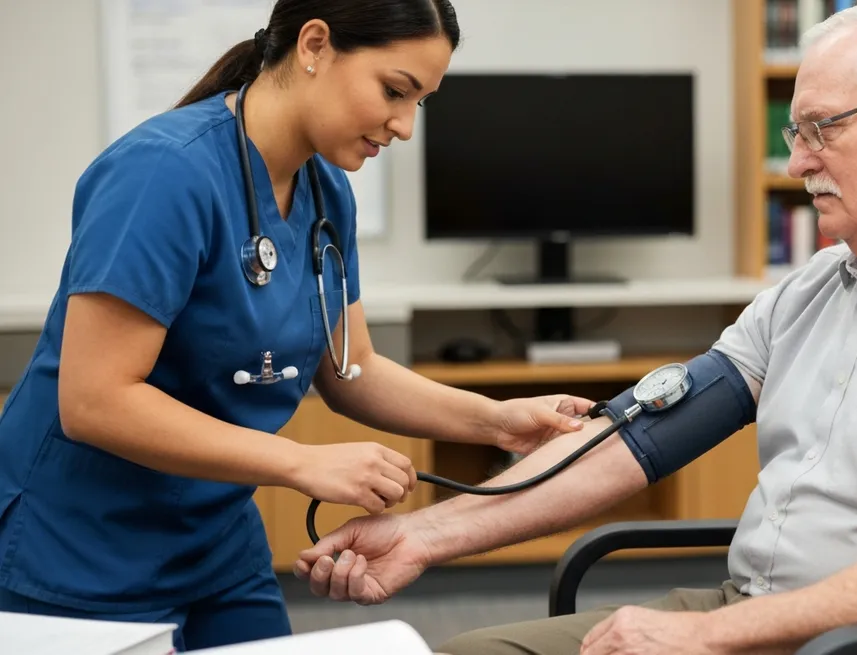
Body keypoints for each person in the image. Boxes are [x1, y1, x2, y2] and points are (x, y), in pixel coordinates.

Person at [295, 0, 857, 654]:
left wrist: (704, 636)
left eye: (820, 129)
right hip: (761, 621)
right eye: (795, 132)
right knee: (476, 650)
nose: (798, 160)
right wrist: (422, 536)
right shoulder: (818, 289)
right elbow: (635, 442)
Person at [0, 1, 599, 652]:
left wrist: (497, 420)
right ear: (314, 45)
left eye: (419, 103)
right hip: (79, 548)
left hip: (215, 544)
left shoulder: (325, 191)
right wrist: (301, 461)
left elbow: (352, 367)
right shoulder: (163, 174)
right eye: (394, 91)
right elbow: (94, 400)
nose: (403, 126)